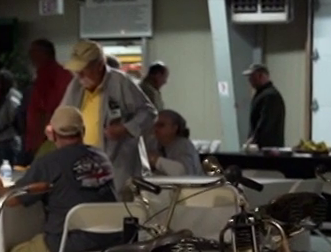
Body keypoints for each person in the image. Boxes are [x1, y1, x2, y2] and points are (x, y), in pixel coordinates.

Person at [0, 106, 120, 252]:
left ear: (53, 135)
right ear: (83, 131)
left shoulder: (49, 163)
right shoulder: (102, 157)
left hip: (67, 245)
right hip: (112, 242)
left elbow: (12, 199)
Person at [61, 39, 156, 190]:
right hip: (83, 169)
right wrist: (55, 128)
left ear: (99, 65)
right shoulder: (76, 85)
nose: (79, 74)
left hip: (118, 168)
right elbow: (63, 115)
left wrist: (126, 128)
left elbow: (149, 113)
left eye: (84, 69)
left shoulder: (120, 82)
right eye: (76, 70)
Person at [24, 38, 73, 160]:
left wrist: (38, 140)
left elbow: (46, 111)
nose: (30, 56)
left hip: (48, 138)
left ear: (44, 54)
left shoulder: (49, 76)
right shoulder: (61, 75)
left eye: (33, 52)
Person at [146, 109, 203, 176]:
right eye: (154, 125)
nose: (156, 129)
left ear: (174, 128)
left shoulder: (184, 145)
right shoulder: (153, 143)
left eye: (161, 125)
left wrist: (155, 160)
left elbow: (182, 172)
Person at [0, 70, 24, 167]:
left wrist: (0, 134)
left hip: (10, 143)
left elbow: (16, 121)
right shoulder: (0, 97)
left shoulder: (12, 98)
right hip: (0, 143)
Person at [246, 63, 286, 149]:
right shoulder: (262, 94)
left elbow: (265, 122)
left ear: (261, 76)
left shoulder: (270, 96)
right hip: (261, 147)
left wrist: (254, 139)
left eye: (252, 76)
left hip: (268, 148)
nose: (250, 80)